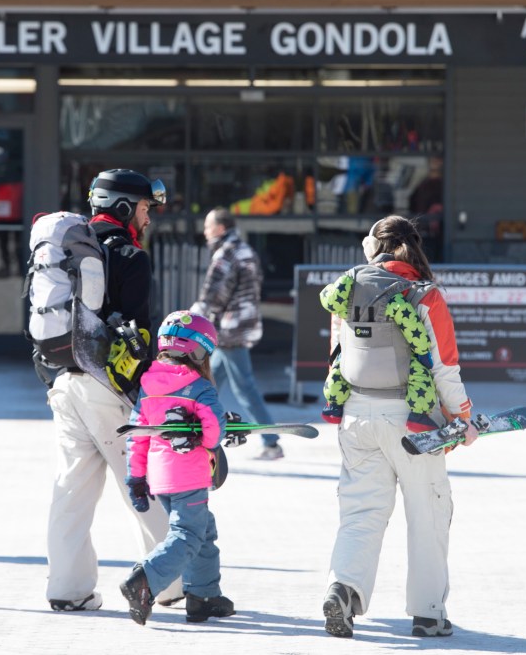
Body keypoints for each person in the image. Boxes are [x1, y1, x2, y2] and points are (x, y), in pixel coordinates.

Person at [317, 215, 478, 639]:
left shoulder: (347, 287)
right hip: (414, 422)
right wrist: (462, 419)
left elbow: (337, 354)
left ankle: (343, 589)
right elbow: (444, 369)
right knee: (428, 511)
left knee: (360, 512)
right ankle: (428, 614)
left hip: (355, 414)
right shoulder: (425, 295)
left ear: (373, 246)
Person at [45, 168, 184, 611]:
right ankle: (169, 583)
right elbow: (139, 336)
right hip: (110, 390)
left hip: (64, 383)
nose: (149, 217)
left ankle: (67, 590)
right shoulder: (129, 255)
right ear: (125, 207)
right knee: (140, 483)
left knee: (71, 490)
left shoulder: (63, 250)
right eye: (146, 208)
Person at [119, 310, 234, 626]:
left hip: (160, 476)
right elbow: (212, 434)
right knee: (187, 534)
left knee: (203, 530)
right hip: (189, 475)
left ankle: (203, 596)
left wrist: (136, 478)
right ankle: (145, 580)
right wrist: (220, 427)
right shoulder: (199, 387)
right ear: (199, 351)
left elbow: (137, 436)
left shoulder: (148, 385)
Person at [190, 207, 281, 460]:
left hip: (230, 331)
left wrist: (196, 315)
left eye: (208, 226)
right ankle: (198, 429)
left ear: (220, 228)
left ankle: (271, 441)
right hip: (244, 324)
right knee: (208, 383)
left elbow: (214, 293)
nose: (205, 232)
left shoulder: (226, 254)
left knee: (244, 388)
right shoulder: (246, 250)